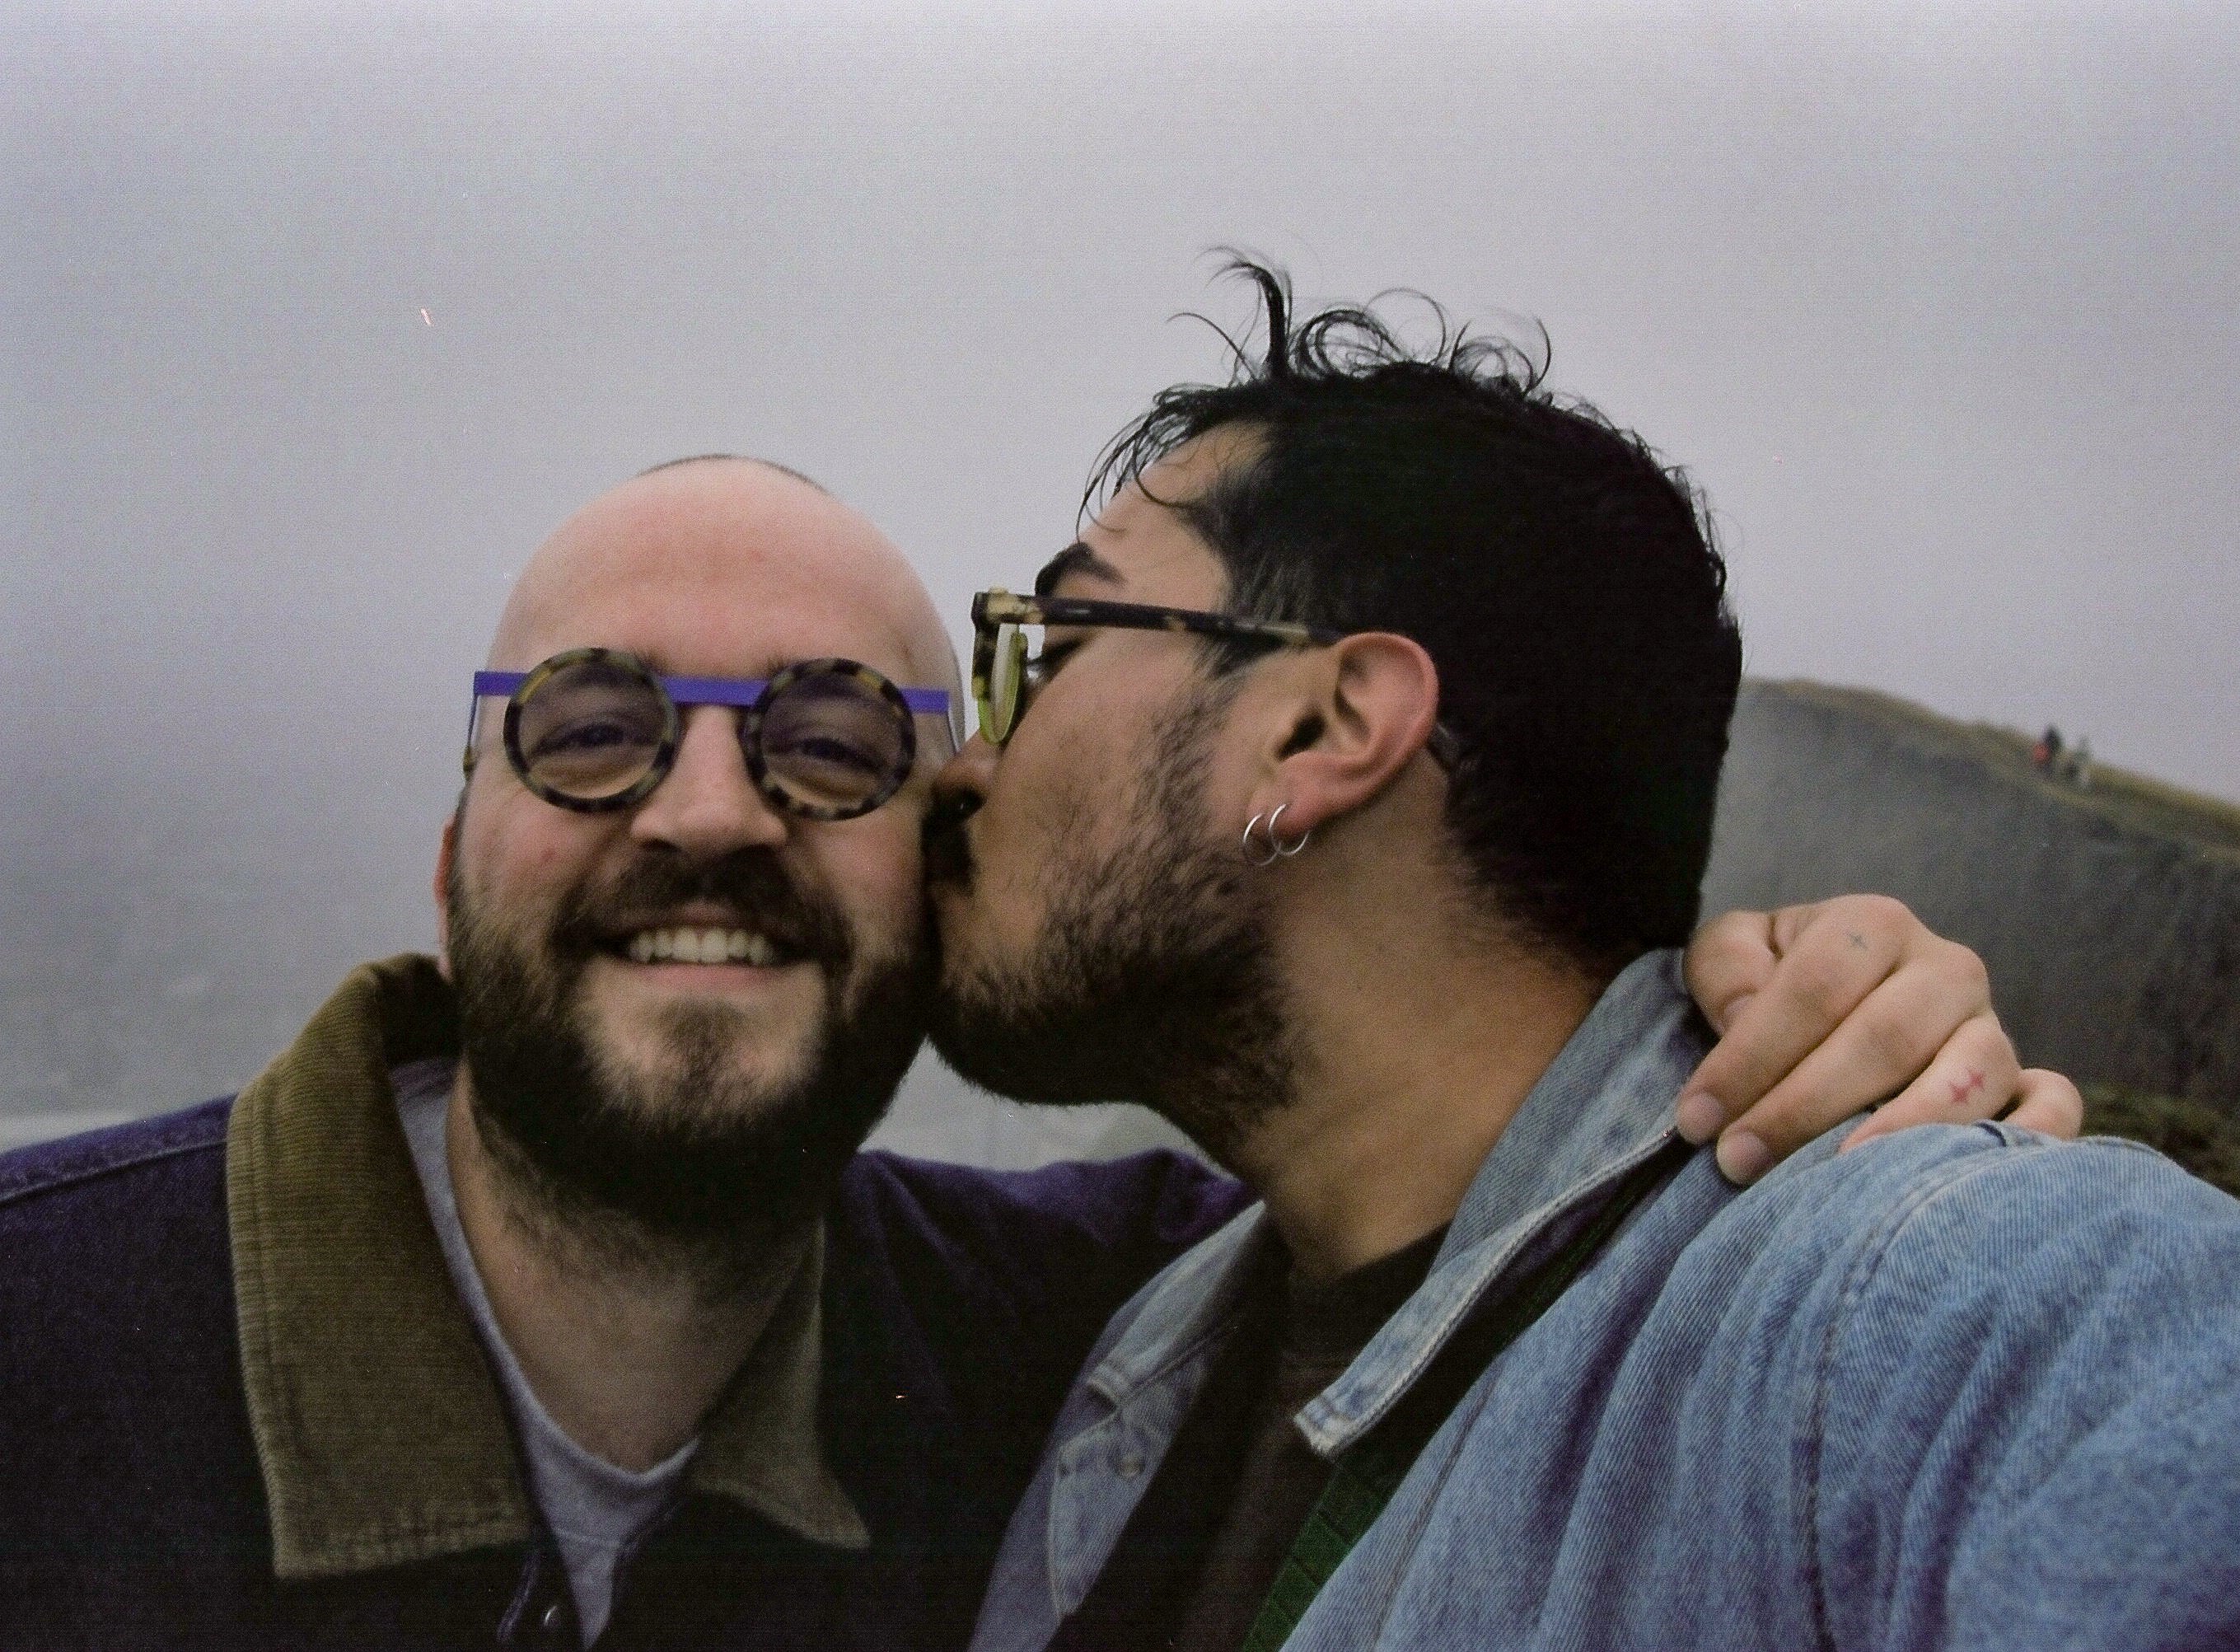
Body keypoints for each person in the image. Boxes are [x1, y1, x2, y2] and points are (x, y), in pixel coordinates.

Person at [0, 455, 2074, 1650]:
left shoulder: (1096, 1356)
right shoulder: (41, 1339)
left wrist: (1821, 1013)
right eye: (591, 724)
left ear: (940, 859)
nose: (707, 813)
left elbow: (1472, 1207)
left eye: (829, 741)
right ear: (457, 847)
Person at [928, 266, 2240, 1652]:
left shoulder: (1909, 1306)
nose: (967, 762)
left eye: (1051, 646)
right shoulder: (1129, 1340)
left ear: (1322, 726)